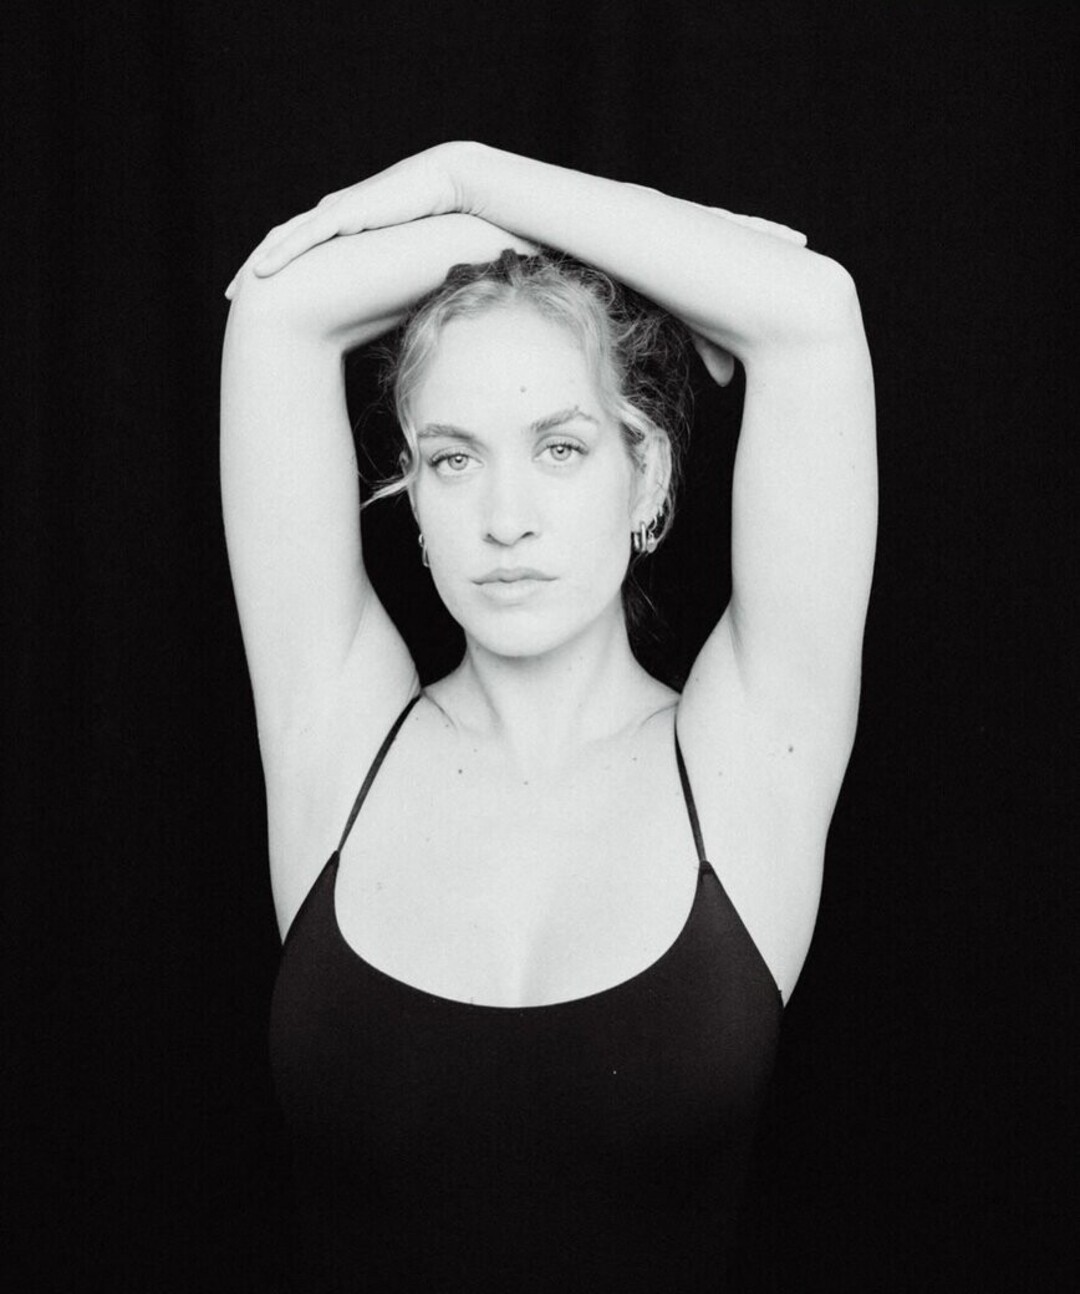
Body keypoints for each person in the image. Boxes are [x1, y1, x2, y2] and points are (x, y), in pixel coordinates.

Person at [220, 142, 876, 1291]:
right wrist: (578, 241)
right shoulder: (335, 730)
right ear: (412, 494)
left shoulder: (746, 758)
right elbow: (277, 309)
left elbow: (810, 310)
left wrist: (466, 177)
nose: (505, 517)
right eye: (453, 459)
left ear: (647, 476)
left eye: (561, 447)